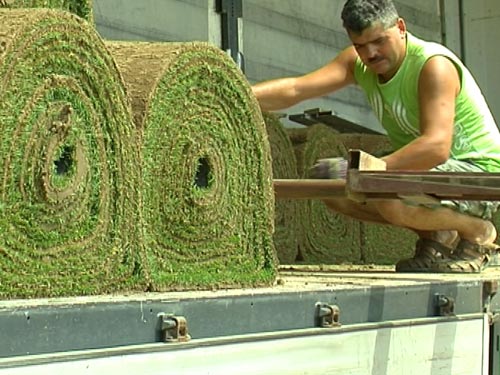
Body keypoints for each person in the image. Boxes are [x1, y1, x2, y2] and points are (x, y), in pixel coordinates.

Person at [252, 0, 500, 273]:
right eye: (360, 45)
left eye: (379, 41)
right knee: (327, 177)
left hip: (479, 175)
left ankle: (478, 231)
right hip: (426, 172)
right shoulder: (358, 63)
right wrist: (238, 94)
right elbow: (297, 89)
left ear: (401, 27)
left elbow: (436, 147)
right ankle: (438, 235)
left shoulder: (433, 66)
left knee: (383, 189)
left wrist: (374, 170)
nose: (370, 53)